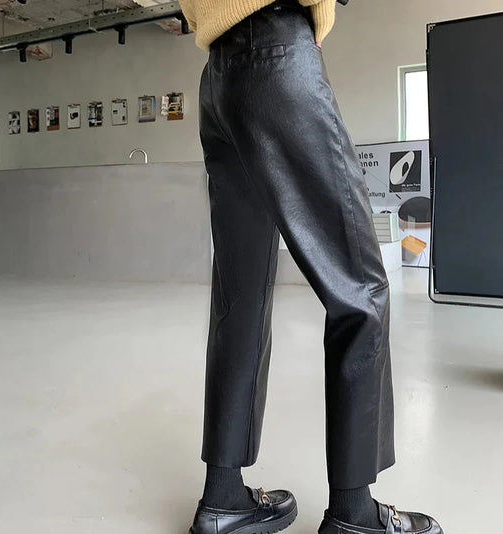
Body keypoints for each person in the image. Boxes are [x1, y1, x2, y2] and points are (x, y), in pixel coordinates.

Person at [178, 1, 444, 533]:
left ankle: (223, 499)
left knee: (240, 295)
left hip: (218, 80)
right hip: (278, 49)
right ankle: (354, 514)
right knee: (359, 288)